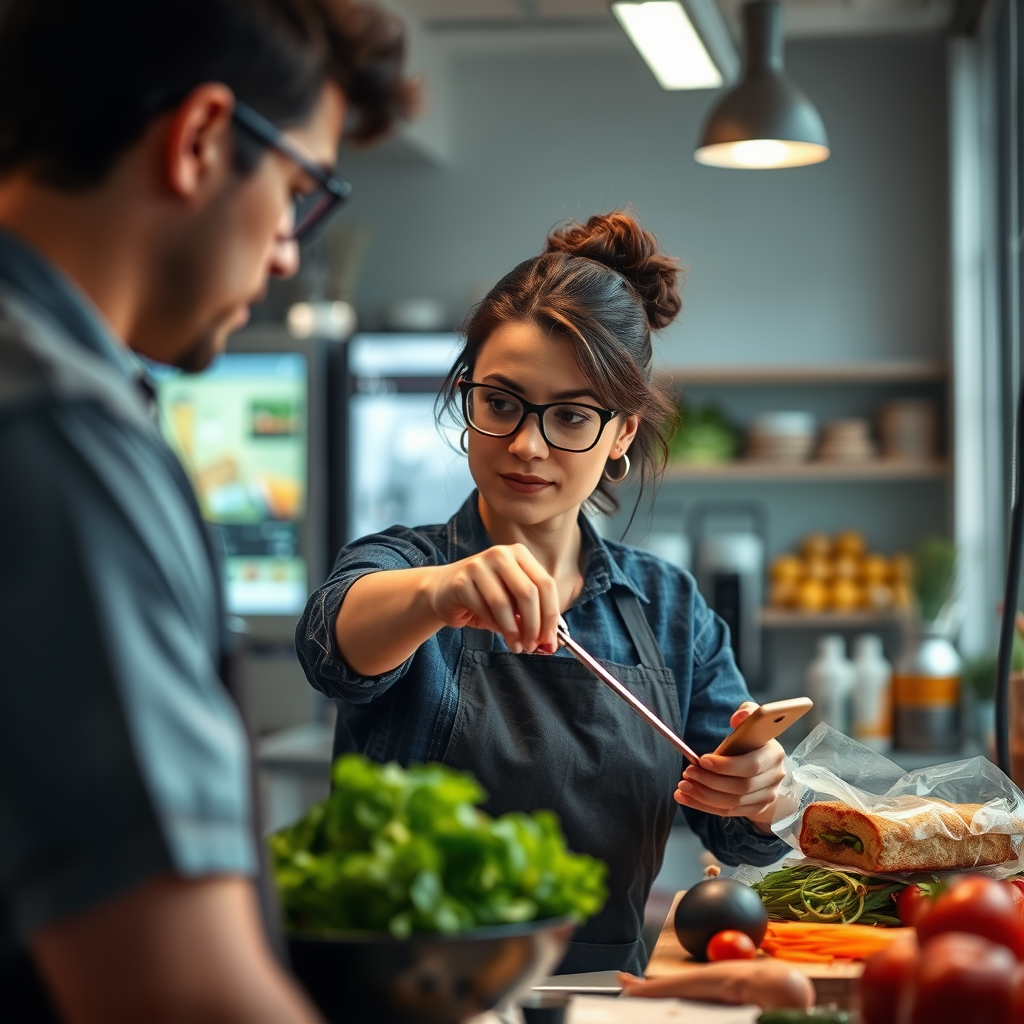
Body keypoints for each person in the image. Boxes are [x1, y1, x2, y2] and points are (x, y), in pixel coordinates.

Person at [0, 1, 415, 1021]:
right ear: (198, 141)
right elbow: (177, 990)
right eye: (296, 192)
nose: (284, 254)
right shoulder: (56, 430)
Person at [295, 211, 789, 976]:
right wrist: (443, 591)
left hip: (607, 997)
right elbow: (333, 644)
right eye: (502, 403)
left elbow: (738, 837)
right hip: (415, 1000)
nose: (527, 445)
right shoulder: (402, 564)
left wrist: (759, 792)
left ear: (622, 434)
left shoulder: (670, 608)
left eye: (569, 416)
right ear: (468, 398)